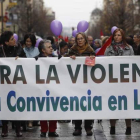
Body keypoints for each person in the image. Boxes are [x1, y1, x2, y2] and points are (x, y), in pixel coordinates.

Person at [104, 28, 134, 135]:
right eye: (115, 35)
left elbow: (132, 64)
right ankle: (112, 127)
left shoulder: (129, 48)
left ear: (123, 36)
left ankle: (128, 127)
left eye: (119, 35)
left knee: (127, 104)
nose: (117, 37)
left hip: (125, 81)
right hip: (112, 81)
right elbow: (105, 64)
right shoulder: (108, 49)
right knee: (113, 103)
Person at [67, 32, 95, 136]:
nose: (79, 40)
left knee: (88, 104)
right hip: (76, 82)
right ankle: (77, 127)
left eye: (81, 38)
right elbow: (64, 61)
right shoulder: (72, 50)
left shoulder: (90, 51)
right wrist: (70, 58)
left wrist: (93, 59)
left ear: (85, 40)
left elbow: (94, 66)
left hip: (88, 82)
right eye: (78, 39)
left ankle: (88, 127)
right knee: (77, 104)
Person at [0, 31, 25, 137]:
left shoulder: (19, 49)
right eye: (11, 39)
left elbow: (27, 61)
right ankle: (5, 128)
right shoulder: (0, 51)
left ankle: (18, 129)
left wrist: (21, 60)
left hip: (16, 82)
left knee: (17, 104)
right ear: (6, 42)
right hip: (3, 83)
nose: (14, 40)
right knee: (4, 104)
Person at [38, 40, 59, 137]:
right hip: (42, 87)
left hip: (53, 88)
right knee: (43, 109)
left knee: (53, 109)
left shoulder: (57, 58)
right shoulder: (36, 60)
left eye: (51, 46)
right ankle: (43, 130)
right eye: (49, 47)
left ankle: (52, 130)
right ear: (43, 50)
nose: (51, 48)